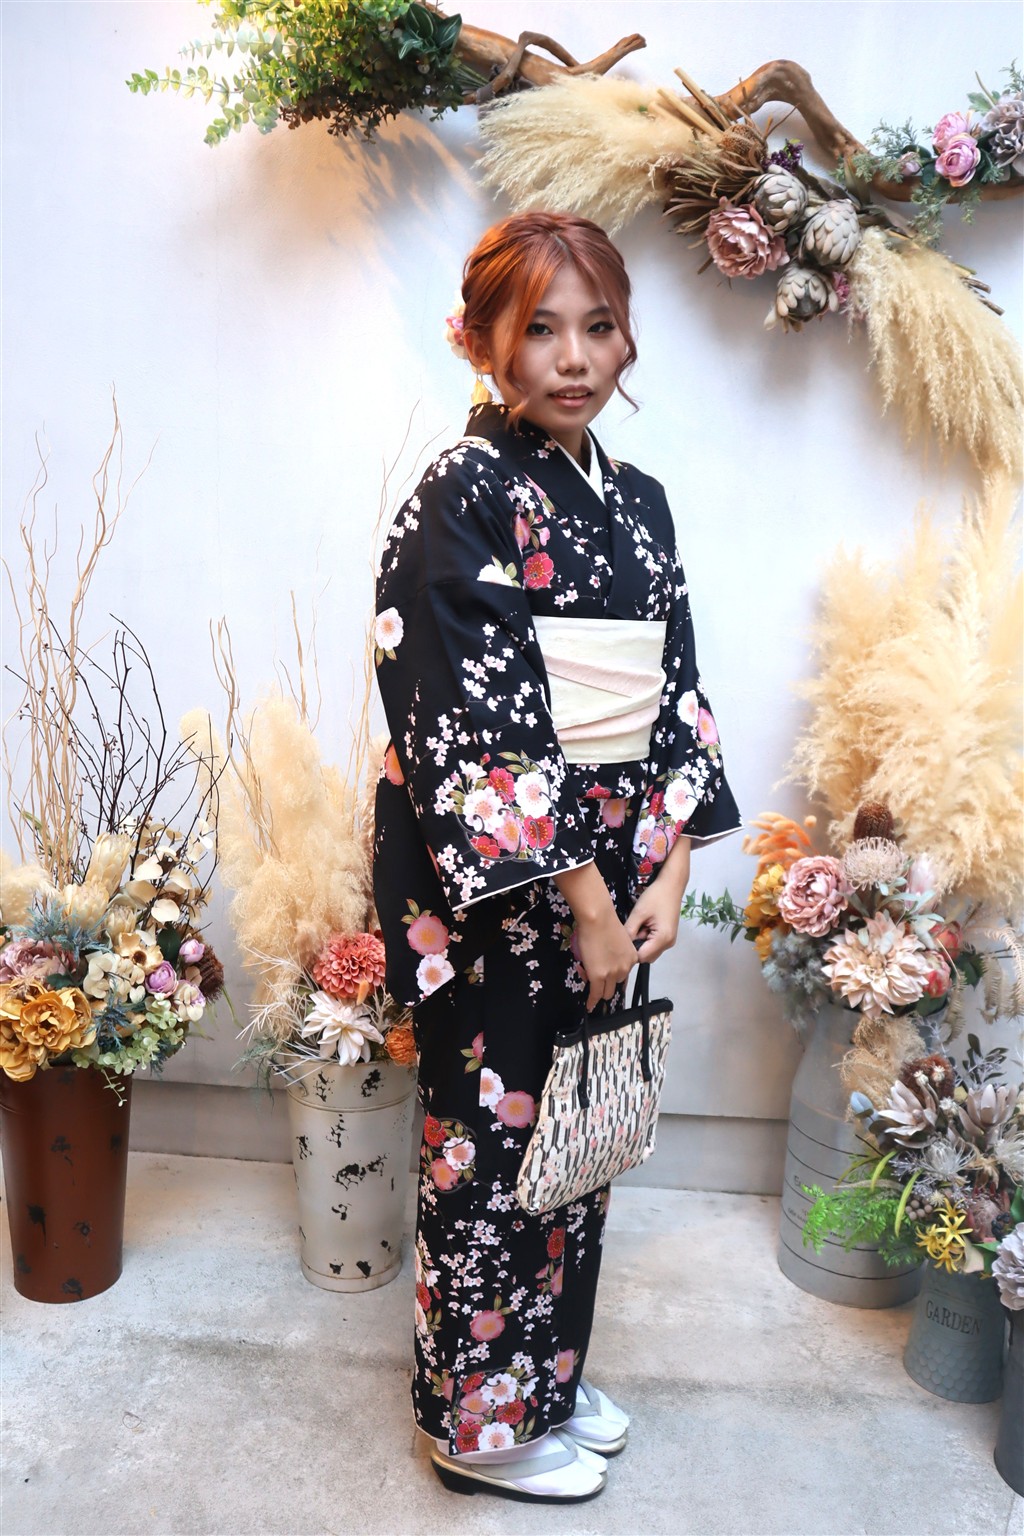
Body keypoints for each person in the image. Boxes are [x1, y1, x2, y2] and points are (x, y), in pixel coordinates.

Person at [373, 211, 740, 1503]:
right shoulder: (461, 493)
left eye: (599, 327)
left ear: (628, 339)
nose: (573, 358)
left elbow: (675, 687)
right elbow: (470, 711)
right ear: (481, 342)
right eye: (539, 330)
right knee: (493, 1132)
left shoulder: (639, 502)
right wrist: (584, 890)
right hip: (504, 886)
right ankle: (475, 1424)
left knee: (579, 1126)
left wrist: (671, 865)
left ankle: (542, 1371)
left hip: (619, 867)